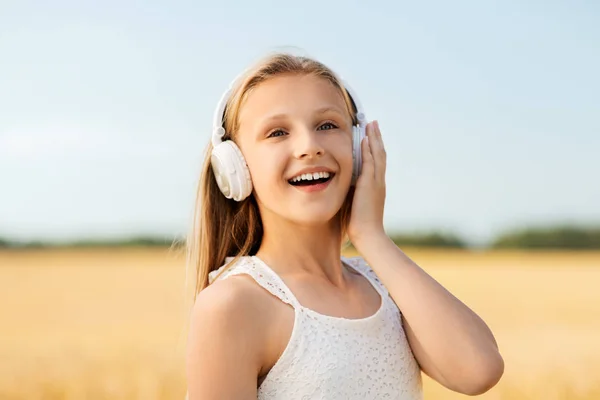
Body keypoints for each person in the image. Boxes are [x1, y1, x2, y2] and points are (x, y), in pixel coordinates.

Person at [184, 52, 504, 399]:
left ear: (357, 147)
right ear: (235, 167)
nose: (309, 147)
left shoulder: (385, 283)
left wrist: (371, 235)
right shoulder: (235, 303)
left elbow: (479, 370)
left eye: (327, 125)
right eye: (277, 132)